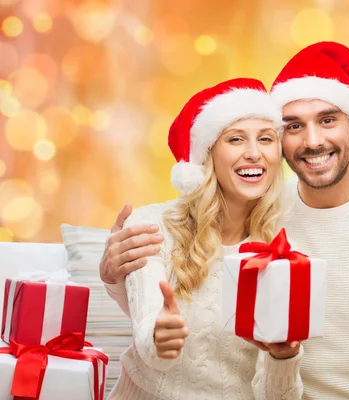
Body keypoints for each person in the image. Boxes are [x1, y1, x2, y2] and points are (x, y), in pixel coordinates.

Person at [102, 43, 349, 400]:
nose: (312, 141)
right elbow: (186, 283)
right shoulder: (262, 211)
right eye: (294, 126)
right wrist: (114, 276)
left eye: (328, 120)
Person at [105, 78, 304, 399]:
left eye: (266, 139)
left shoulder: (283, 250)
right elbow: (148, 338)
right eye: (236, 139)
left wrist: (284, 357)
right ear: (208, 154)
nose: (254, 153)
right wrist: (160, 338)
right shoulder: (152, 225)